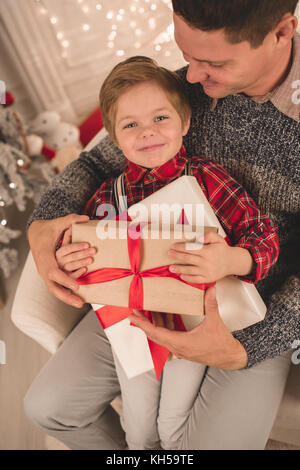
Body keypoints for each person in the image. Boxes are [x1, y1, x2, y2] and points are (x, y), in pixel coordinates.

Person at [24, 0, 300, 449]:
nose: (189, 78)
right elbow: (98, 164)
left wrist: (252, 345)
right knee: (49, 408)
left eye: (211, 62)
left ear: (282, 33)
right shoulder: (184, 89)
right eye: (186, 55)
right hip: (148, 285)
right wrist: (42, 226)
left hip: (257, 306)